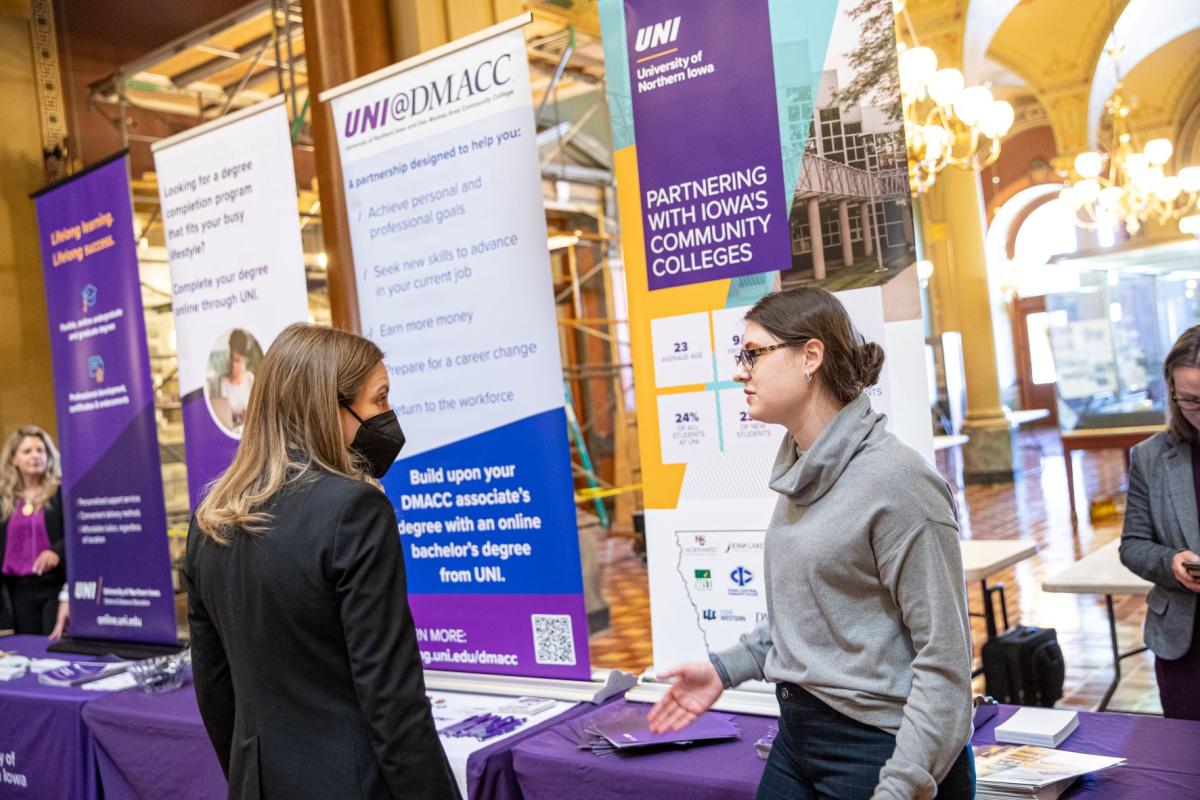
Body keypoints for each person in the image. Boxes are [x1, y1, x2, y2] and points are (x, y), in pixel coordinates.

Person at [648, 287, 975, 800]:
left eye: (753, 354)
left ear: (810, 356)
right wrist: (722, 669)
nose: (740, 372)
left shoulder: (899, 482)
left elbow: (946, 664)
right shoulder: (803, 473)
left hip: (881, 747)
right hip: (800, 735)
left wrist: (902, 787)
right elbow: (812, 618)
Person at [185, 323, 459, 799]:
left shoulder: (209, 522)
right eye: (380, 399)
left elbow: (213, 688)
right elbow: (391, 700)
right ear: (326, 408)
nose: (389, 415)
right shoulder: (355, 510)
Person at [1120, 325, 1200, 721]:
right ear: (1172, 394)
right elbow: (1133, 543)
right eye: (1192, 401)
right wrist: (1170, 562)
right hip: (1185, 645)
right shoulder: (1151, 457)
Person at [0, 425, 67, 636]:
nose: (35, 456)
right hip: (17, 592)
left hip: (54, 588)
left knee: (53, 650)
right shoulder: (4, 499)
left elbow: (79, 532)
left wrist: (56, 551)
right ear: (13, 459)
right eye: (27, 451)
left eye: (41, 450)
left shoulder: (61, 491)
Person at [218, 328, 255, 431]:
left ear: (245, 361)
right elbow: (224, 412)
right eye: (232, 359)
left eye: (238, 361)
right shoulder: (223, 380)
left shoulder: (250, 378)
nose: (233, 364)